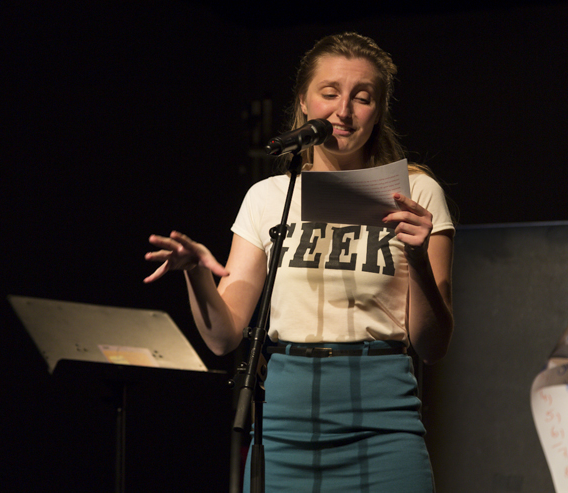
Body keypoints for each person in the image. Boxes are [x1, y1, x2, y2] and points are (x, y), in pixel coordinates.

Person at [145, 32, 454, 492]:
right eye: (329, 93)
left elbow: (433, 345)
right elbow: (224, 336)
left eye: (362, 97)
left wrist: (418, 258)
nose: (343, 110)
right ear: (304, 103)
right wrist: (196, 274)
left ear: (378, 111)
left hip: (384, 426)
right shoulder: (269, 196)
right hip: (285, 429)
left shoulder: (416, 194)